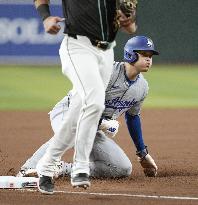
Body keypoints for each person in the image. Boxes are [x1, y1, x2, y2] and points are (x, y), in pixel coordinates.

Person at [17, 35, 158, 186]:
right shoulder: (107, 72)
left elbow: (133, 117)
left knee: (122, 168)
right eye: (144, 54)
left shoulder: (142, 87)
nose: (149, 59)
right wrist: (103, 123)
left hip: (93, 126)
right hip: (69, 111)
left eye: (150, 56)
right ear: (130, 54)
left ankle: (63, 168)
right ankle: (28, 168)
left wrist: (142, 153)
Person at [34, 0, 138, 194]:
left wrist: (127, 20)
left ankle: (46, 165)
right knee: (95, 102)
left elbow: (131, 27)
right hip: (77, 46)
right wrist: (46, 16)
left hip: (106, 52)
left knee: (77, 110)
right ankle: (80, 167)